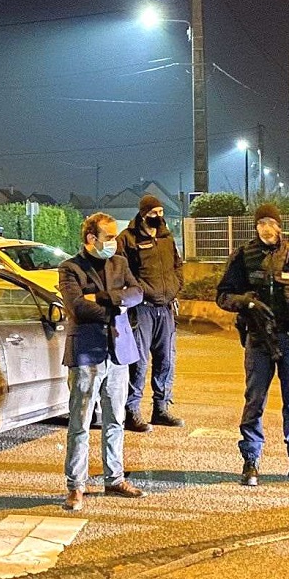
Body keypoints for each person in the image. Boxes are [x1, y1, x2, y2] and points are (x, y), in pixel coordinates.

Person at [216, 203, 289, 488]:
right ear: (255, 227)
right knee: (254, 401)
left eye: (271, 222)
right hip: (258, 340)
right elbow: (222, 296)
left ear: (280, 225)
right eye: (261, 223)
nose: (267, 228)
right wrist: (246, 302)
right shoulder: (244, 257)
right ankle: (251, 460)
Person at [57, 213, 149, 510]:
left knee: (116, 419)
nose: (114, 242)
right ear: (90, 239)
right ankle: (76, 485)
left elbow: (137, 293)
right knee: (81, 422)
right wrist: (115, 305)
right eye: (109, 237)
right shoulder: (70, 267)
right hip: (87, 352)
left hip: (119, 351)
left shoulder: (119, 263)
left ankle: (115, 478)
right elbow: (76, 307)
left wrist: (105, 298)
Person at [118, 194, 185, 431]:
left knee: (166, 360)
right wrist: (142, 291)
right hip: (141, 309)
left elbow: (177, 264)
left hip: (166, 308)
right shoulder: (127, 239)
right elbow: (123, 271)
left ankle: (161, 408)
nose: (158, 216)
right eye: (154, 212)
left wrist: (177, 285)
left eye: (161, 211)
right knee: (139, 362)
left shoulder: (166, 237)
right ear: (143, 213)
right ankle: (132, 410)